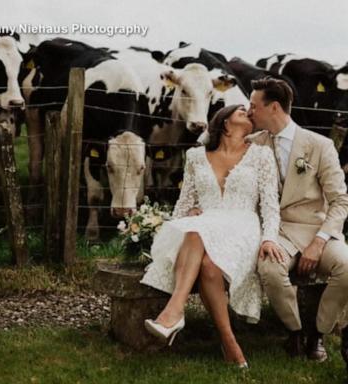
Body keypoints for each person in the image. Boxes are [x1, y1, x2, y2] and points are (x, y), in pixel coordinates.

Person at [140, 104, 283, 368]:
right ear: (225, 123)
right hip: (206, 226)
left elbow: (270, 207)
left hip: (243, 226)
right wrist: (184, 218)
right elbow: (184, 205)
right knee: (205, 257)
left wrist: (269, 238)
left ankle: (173, 311)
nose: (248, 114)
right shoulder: (195, 156)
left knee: (197, 231)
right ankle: (229, 343)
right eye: (241, 112)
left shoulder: (262, 155)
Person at [242, 77, 348, 362]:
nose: (249, 111)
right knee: (271, 270)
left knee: (347, 268)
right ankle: (295, 332)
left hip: (317, 229)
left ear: (273, 107)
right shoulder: (251, 144)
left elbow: (340, 201)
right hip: (277, 233)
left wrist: (320, 241)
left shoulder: (320, 145)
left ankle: (318, 334)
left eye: (253, 106)